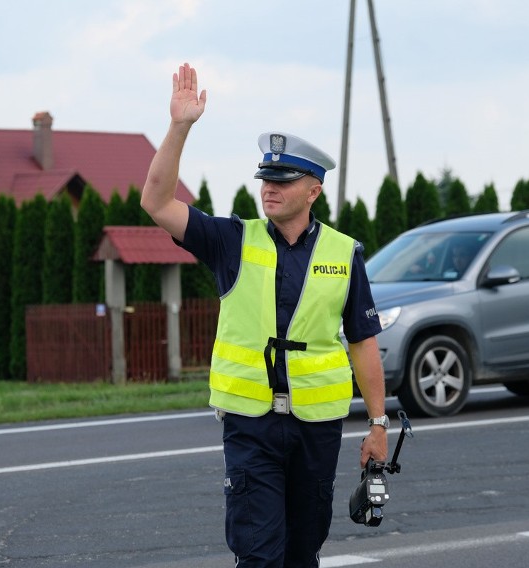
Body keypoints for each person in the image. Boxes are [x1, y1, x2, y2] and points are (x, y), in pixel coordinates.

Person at [140, 62, 389, 567]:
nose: (269, 187)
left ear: (314, 190)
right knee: (258, 555)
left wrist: (379, 423)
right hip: (250, 426)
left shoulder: (345, 254)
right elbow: (156, 200)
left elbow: (362, 340)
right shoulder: (231, 240)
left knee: (302, 553)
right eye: (265, 178)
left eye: (283, 179)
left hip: (316, 427)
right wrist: (180, 126)